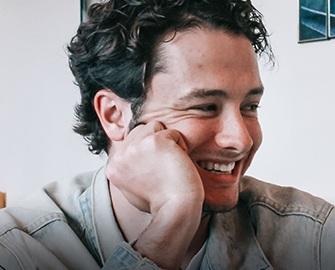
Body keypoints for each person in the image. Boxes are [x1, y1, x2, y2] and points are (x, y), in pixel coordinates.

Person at [1, 0, 334, 269]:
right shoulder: (18, 249)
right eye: (205, 107)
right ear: (114, 115)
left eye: (250, 106)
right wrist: (170, 224)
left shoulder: (315, 239)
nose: (241, 140)